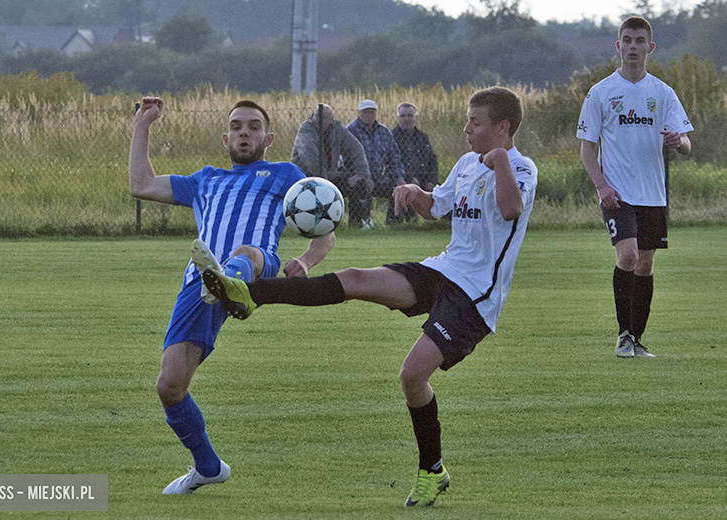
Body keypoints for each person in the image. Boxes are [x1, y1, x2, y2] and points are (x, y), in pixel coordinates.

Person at [197, 87, 537, 508]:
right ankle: (248, 293)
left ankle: (432, 469)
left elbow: (510, 209)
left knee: (413, 376)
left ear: (502, 128)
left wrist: (501, 161)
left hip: (476, 296)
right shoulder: (468, 163)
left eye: (476, 122)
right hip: (443, 270)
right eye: (467, 120)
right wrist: (416, 194)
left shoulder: (521, 167)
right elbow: (437, 208)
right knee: (355, 278)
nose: (466, 128)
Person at [128, 97, 335, 494]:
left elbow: (326, 223)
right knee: (169, 386)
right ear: (226, 137)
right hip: (198, 284)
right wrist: (143, 126)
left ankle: (231, 284)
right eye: (237, 126)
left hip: (256, 267)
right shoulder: (205, 179)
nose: (245, 132)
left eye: (253, 126)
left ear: (268, 137)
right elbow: (141, 185)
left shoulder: (285, 174)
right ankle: (207, 466)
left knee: (246, 253)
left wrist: (307, 261)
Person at [577, 16, 693, 359]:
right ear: (618, 46)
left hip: (653, 193)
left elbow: (685, 143)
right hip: (618, 193)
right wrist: (602, 186)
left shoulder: (662, 92)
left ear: (649, 47)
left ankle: (637, 340)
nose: (632, 47)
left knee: (645, 264)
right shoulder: (601, 93)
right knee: (627, 255)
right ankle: (623, 336)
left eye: (639, 41)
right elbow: (587, 148)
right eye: (627, 40)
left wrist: (679, 140)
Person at [290, 104, 373, 227]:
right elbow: (311, 158)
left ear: (331, 120)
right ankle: (314, 225)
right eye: (317, 116)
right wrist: (326, 182)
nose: (319, 120)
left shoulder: (338, 130)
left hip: (329, 176)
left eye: (323, 117)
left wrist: (362, 174)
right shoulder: (306, 130)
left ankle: (356, 224)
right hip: (306, 178)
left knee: (358, 183)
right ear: (313, 116)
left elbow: (357, 149)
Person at [347, 99, 406, 228]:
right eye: (365, 112)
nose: (369, 115)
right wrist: (363, 176)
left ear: (376, 114)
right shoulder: (350, 131)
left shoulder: (384, 132)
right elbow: (345, 160)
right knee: (361, 187)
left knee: (399, 190)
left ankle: (394, 224)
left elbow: (394, 157)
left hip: (379, 177)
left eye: (371, 112)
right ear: (359, 113)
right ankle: (359, 223)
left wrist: (399, 178)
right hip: (357, 176)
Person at [392, 102, 441, 222]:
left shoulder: (422, 137)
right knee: (403, 187)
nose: (406, 119)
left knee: (441, 189)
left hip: (423, 178)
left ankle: (439, 221)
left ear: (415, 118)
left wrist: (431, 181)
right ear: (398, 118)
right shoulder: (391, 136)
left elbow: (432, 161)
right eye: (403, 116)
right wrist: (410, 178)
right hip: (402, 178)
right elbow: (392, 162)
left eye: (410, 115)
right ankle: (401, 221)